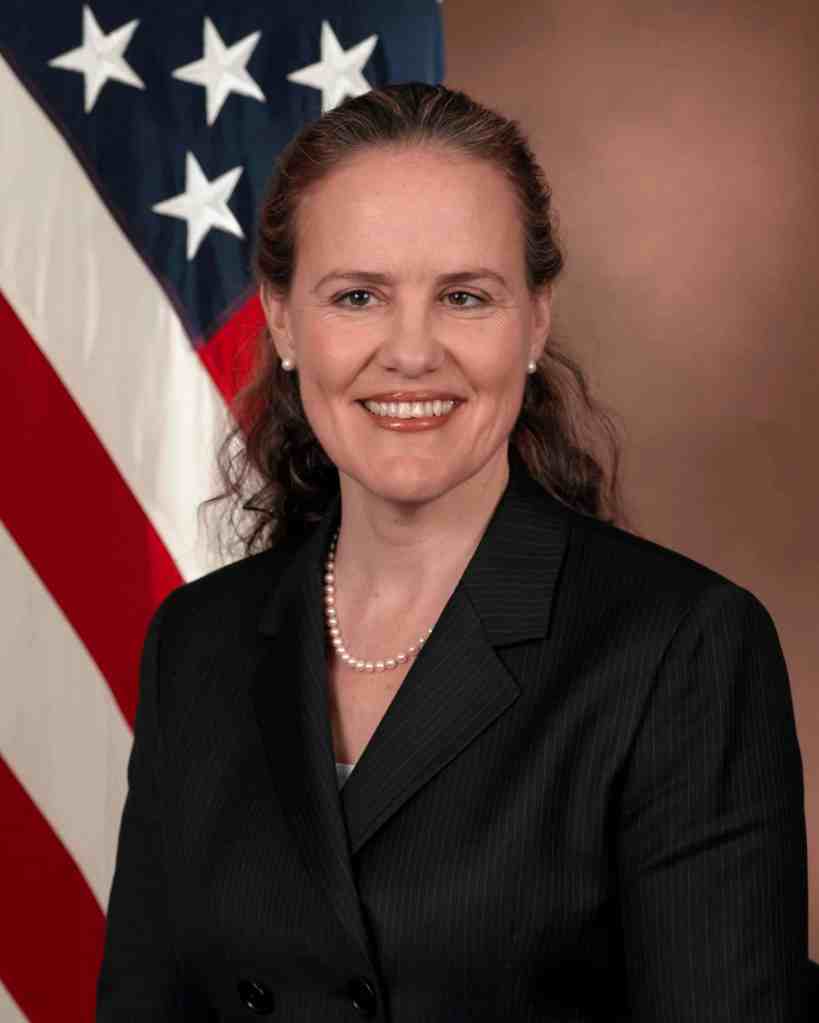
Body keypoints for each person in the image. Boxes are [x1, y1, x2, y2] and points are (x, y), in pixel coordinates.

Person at [97, 83, 809, 1021]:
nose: (410, 352)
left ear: (535, 320)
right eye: (357, 296)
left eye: (464, 297)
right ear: (282, 320)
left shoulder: (680, 649)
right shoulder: (196, 642)